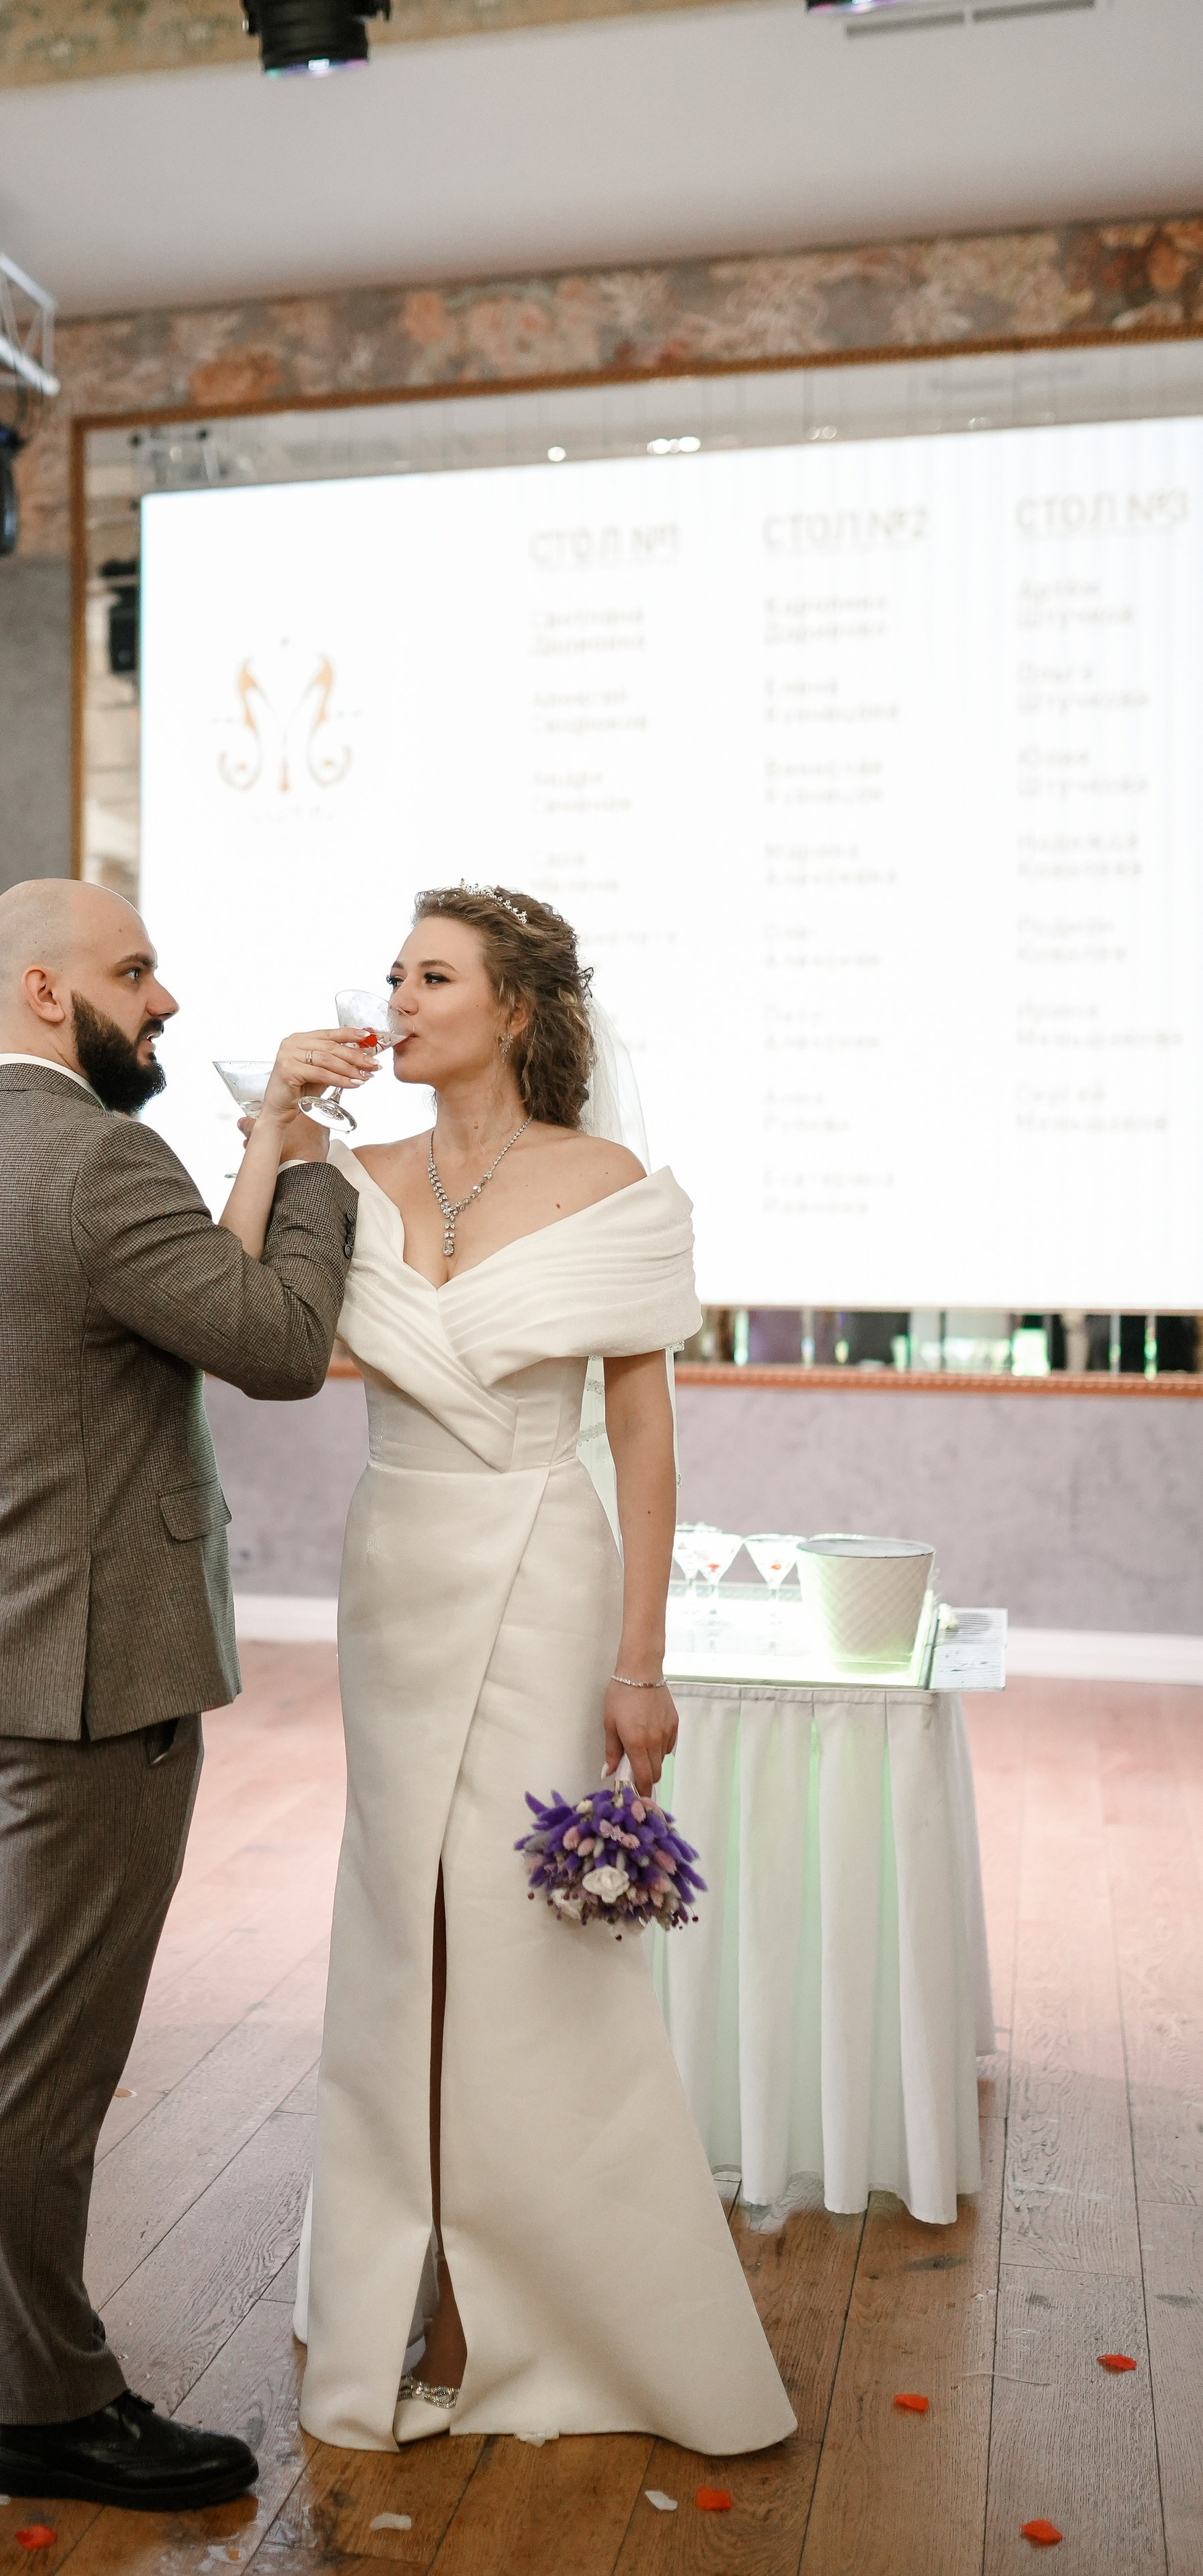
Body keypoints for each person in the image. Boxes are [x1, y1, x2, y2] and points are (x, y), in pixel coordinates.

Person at [252, 882, 795, 2457]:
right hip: (394, 1571)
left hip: (545, 1577)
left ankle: (528, 2300)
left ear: (513, 1012)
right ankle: (398, 2273)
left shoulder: (605, 1181)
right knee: (395, 1923)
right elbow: (238, 1317)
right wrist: (272, 1121)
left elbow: (640, 1434)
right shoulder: (341, 1172)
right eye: (391, 976)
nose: (397, 1001)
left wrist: (641, 1661)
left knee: (523, 1936)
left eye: (430, 978)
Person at [0, 876, 366, 2514]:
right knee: (47, 2046)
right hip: (93, 1672)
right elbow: (279, 1339)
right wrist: (321, 1173)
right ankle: (51, 2406)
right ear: (36, 991)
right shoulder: (95, 1160)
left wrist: (260, 1136)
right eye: (132, 972)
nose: (159, 1000)